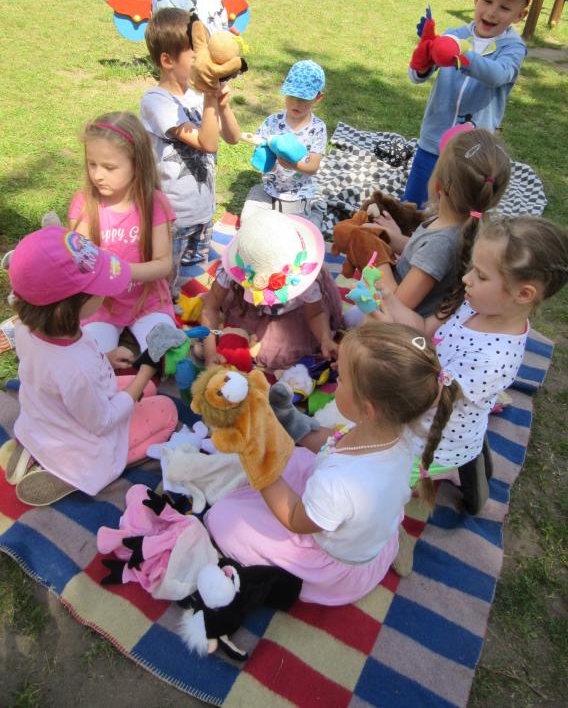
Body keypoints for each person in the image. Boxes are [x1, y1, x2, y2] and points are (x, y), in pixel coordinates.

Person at [204, 323, 459, 605]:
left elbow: (295, 519)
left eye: (342, 380)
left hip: (328, 560)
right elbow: (335, 443)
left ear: (368, 409)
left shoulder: (340, 483)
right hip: (368, 525)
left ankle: (288, 579)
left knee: (222, 518)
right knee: (297, 457)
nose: (336, 379)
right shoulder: (400, 431)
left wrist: (260, 460)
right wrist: (292, 421)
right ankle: (387, 539)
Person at [375, 215, 568, 516]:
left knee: (380, 483)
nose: (466, 279)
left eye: (481, 275)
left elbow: (430, 395)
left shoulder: (493, 359)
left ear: (523, 294)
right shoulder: (476, 305)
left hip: (439, 438)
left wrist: (391, 339)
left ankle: (448, 468)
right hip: (433, 404)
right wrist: (390, 301)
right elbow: (427, 332)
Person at [5, 227, 178, 507]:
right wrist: (145, 371)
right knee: (166, 410)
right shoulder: (77, 369)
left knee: (145, 388)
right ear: (66, 308)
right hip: (84, 446)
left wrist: (106, 357)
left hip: (45, 419)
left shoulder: (28, 329)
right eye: (98, 287)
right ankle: (73, 474)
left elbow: (59, 373)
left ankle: (34, 447)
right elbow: (103, 422)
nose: (106, 292)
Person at [402, 0, 533, 207]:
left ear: (520, 15)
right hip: (433, 140)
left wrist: (461, 56)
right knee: (414, 202)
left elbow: (498, 74)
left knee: (457, 208)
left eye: (504, 7)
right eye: (487, 1)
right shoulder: (455, 34)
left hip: (472, 153)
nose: (492, 12)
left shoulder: (513, 48)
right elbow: (417, 76)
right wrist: (424, 58)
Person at [358, 128, 510, 318]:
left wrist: (376, 254)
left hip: (394, 325)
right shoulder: (460, 224)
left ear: (438, 184)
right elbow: (423, 255)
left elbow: (397, 305)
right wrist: (393, 237)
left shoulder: (441, 244)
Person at [140, 8, 240, 284]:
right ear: (167, 60)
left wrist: (223, 105)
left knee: (196, 280)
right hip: (173, 218)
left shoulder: (197, 96)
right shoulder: (156, 102)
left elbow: (232, 137)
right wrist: (210, 98)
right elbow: (207, 143)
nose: (204, 63)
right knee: (164, 284)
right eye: (196, 57)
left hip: (203, 212)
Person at [68, 112, 177, 362]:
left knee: (170, 356)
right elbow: (79, 261)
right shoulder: (85, 203)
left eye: (109, 167)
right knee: (90, 359)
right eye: (92, 164)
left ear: (137, 165)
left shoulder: (154, 203)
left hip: (148, 300)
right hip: (99, 304)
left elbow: (163, 264)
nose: (97, 175)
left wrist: (120, 271)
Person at [200, 209, 343, 371]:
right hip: (250, 306)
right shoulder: (232, 272)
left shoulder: (304, 281)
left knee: (276, 349)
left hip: (295, 312)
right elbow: (210, 307)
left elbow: (315, 314)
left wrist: (325, 339)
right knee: (238, 334)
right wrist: (210, 353)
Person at [241, 60, 327, 228]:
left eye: (303, 98)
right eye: (291, 96)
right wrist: (261, 151)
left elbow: (313, 167)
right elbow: (261, 147)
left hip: (298, 192)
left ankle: (316, 211)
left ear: (318, 98)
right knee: (249, 223)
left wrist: (294, 165)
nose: (296, 103)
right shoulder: (272, 122)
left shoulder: (317, 128)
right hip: (269, 188)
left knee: (295, 230)